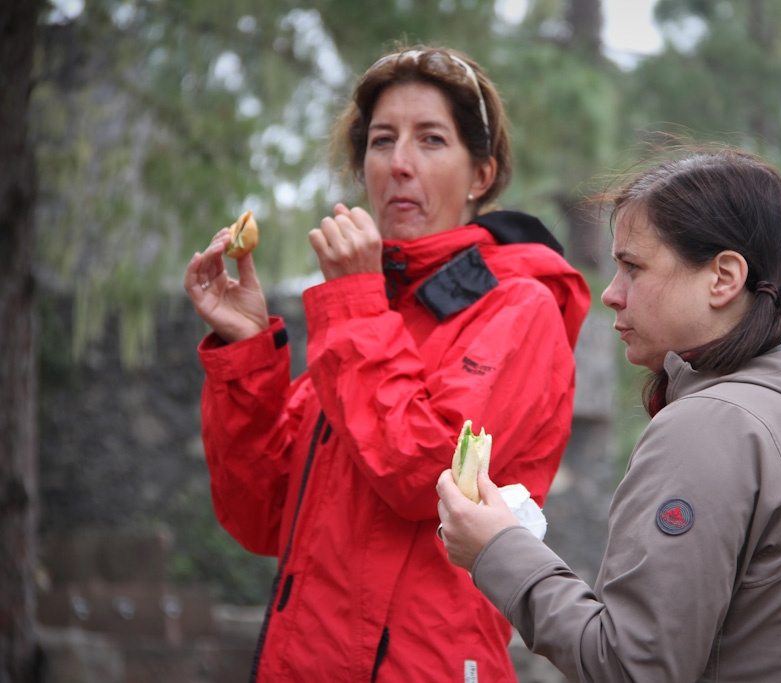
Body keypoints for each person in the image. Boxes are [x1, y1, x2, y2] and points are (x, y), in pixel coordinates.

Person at [184, 45, 591, 682]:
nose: (400, 163)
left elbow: (425, 477)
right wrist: (246, 352)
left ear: (481, 174)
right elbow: (261, 517)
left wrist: (354, 302)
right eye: (381, 141)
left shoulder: (520, 307)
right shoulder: (370, 313)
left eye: (431, 140)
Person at [436, 147, 781, 682]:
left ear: (723, 278)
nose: (611, 294)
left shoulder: (713, 426)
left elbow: (630, 666)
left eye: (633, 267)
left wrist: (499, 550)